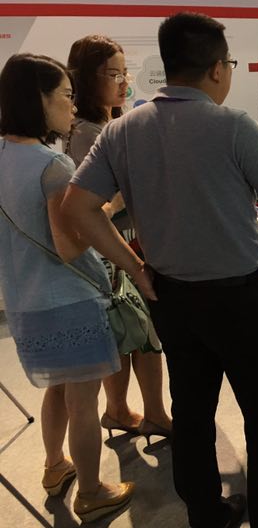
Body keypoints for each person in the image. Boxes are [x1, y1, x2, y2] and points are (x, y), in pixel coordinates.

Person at [61, 12, 258, 528]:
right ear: (215, 69)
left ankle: (207, 514)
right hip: (240, 300)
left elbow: (78, 206)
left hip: (172, 298)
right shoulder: (232, 126)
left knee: (192, 411)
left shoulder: (124, 129)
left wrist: (135, 267)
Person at [0, 53, 134, 522]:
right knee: (83, 403)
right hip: (69, 301)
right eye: (65, 96)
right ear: (37, 99)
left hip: (25, 302)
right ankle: (93, 492)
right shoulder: (51, 164)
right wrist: (106, 207)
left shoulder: (3, 155)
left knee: (56, 391)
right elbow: (70, 246)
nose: (73, 107)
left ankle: (56, 466)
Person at [66, 34, 172, 443]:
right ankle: (151, 413)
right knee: (141, 333)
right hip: (113, 248)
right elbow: (91, 204)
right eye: (113, 74)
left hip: (123, 242)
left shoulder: (106, 124)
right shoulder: (88, 132)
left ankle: (120, 410)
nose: (123, 81)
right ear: (85, 78)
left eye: (125, 72)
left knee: (129, 333)